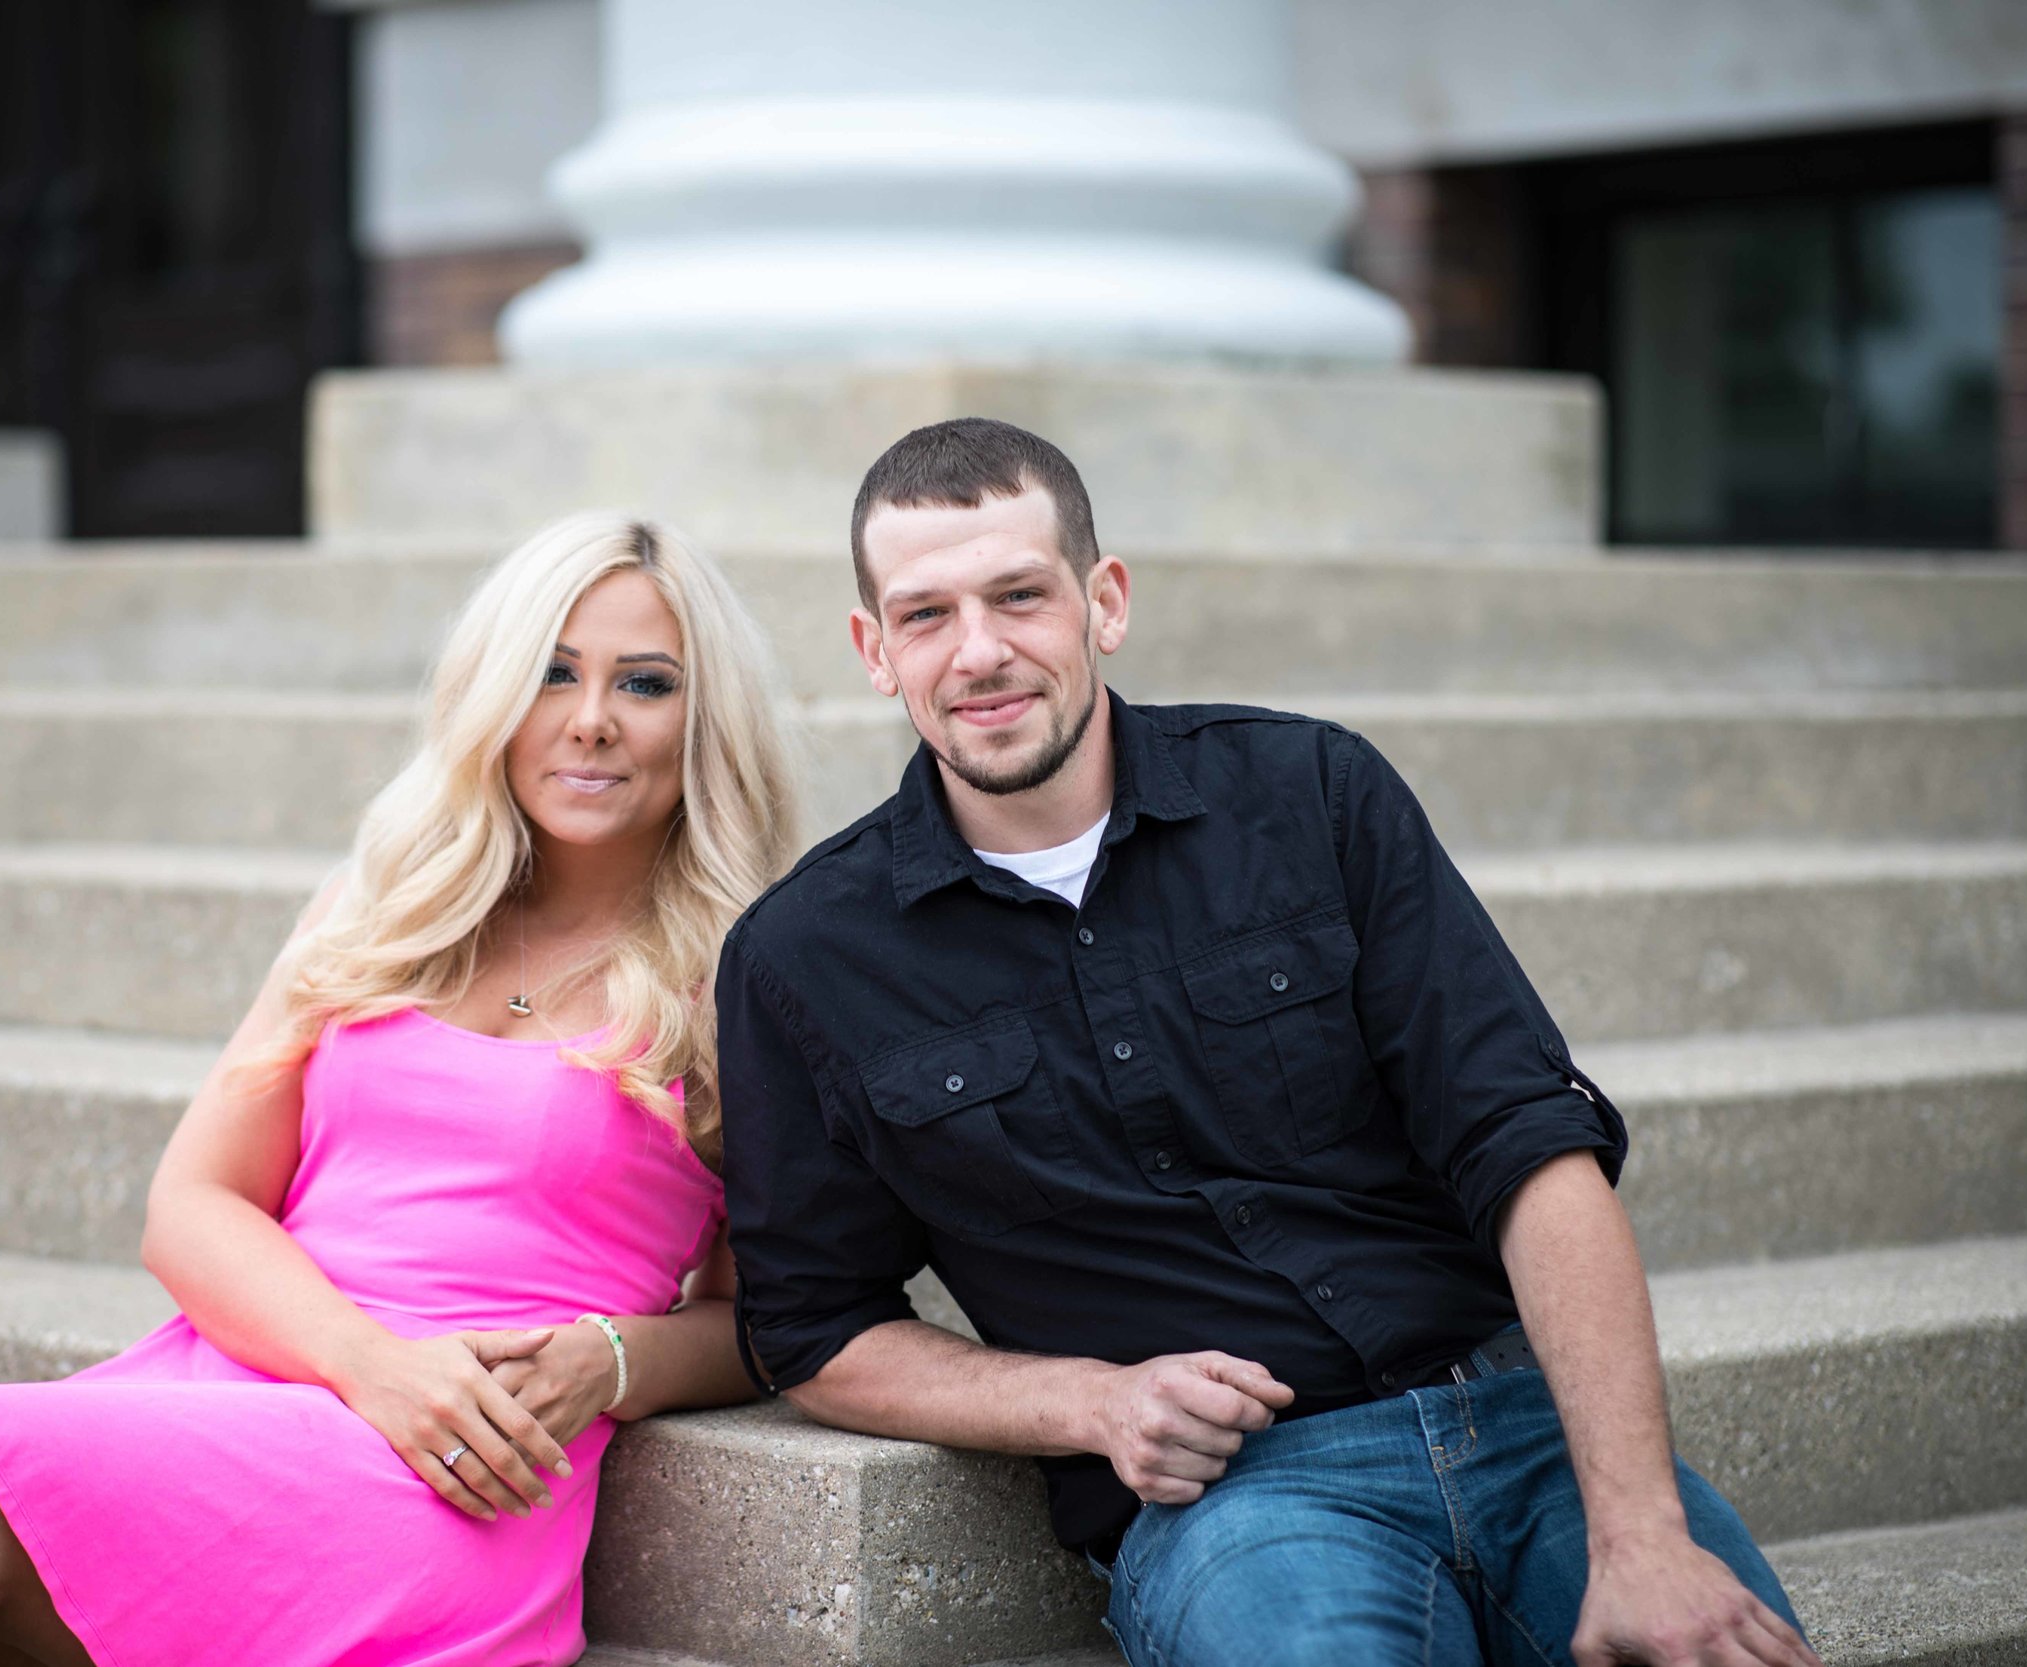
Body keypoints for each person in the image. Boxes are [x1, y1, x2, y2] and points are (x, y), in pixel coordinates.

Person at [715, 419, 1822, 1667]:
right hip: (1248, 1501)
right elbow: (812, 1332)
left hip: (1527, 1424)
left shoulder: (1313, 792)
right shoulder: (806, 955)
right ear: (874, 649)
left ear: (1104, 600)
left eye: (1019, 595)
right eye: (925, 615)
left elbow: (1530, 1146)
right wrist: (1090, 1399)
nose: (978, 652)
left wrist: (1638, 1531)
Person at [0, 513, 798, 1667]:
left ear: (700, 722)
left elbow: (778, 1317)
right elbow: (193, 1204)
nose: (590, 716)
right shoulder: (384, 911)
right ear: (493, 695)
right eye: (551, 670)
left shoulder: (745, 978)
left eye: (644, 682)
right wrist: (369, 1363)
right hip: (269, 1372)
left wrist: (606, 1361)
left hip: (446, 1465)